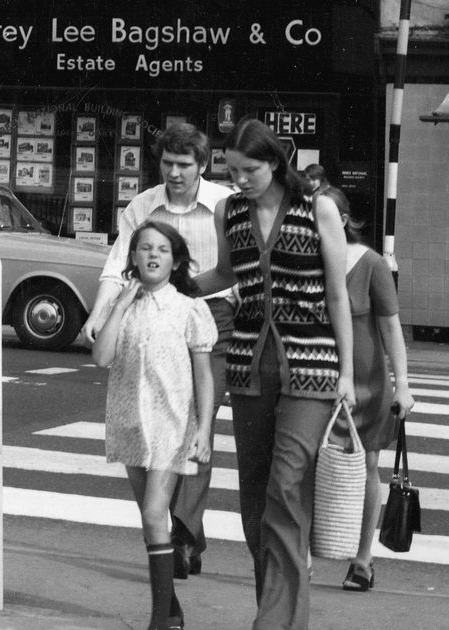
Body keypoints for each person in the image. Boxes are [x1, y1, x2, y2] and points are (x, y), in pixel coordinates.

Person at [194, 118, 354, 630]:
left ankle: (275, 623)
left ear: (275, 161)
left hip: (312, 366)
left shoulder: (318, 208)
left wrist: (347, 373)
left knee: (286, 489)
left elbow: (336, 294)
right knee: (254, 498)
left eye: (250, 170)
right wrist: (173, 280)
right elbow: (226, 273)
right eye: (233, 170)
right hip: (248, 368)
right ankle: (281, 611)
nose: (240, 179)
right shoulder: (229, 210)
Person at [81, 123, 233, 578]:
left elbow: (240, 264)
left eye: (184, 164)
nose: (175, 172)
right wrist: (97, 314)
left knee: (193, 423)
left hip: (211, 316)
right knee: (154, 424)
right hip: (150, 318)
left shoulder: (223, 205)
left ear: (201, 165)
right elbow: (116, 266)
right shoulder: (142, 206)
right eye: (168, 163)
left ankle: (183, 535)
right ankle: (175, 530)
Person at [93, 221, 216, 630]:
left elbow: (204, 375)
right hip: (130, 422)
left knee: (152, 515)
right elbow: (101, 357)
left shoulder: (189, 309)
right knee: (152, 523)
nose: (152, 255)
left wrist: (203, 430)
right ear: (132, 257)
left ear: (175, 259)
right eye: (144, 248)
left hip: (172, 423)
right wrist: (121, 305)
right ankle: (173, 609)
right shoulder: (123, 307)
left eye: (162, 249)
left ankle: (159, 619)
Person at [320, 187, 416, 592]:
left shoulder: (372, 263)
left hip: (369, 380)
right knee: (309, 467)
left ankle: (362, 559)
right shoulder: (310, 263)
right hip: (318, 378)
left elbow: (392, 326)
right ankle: (303, 556)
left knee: (367, 466)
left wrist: (404, 386)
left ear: (342, 220)